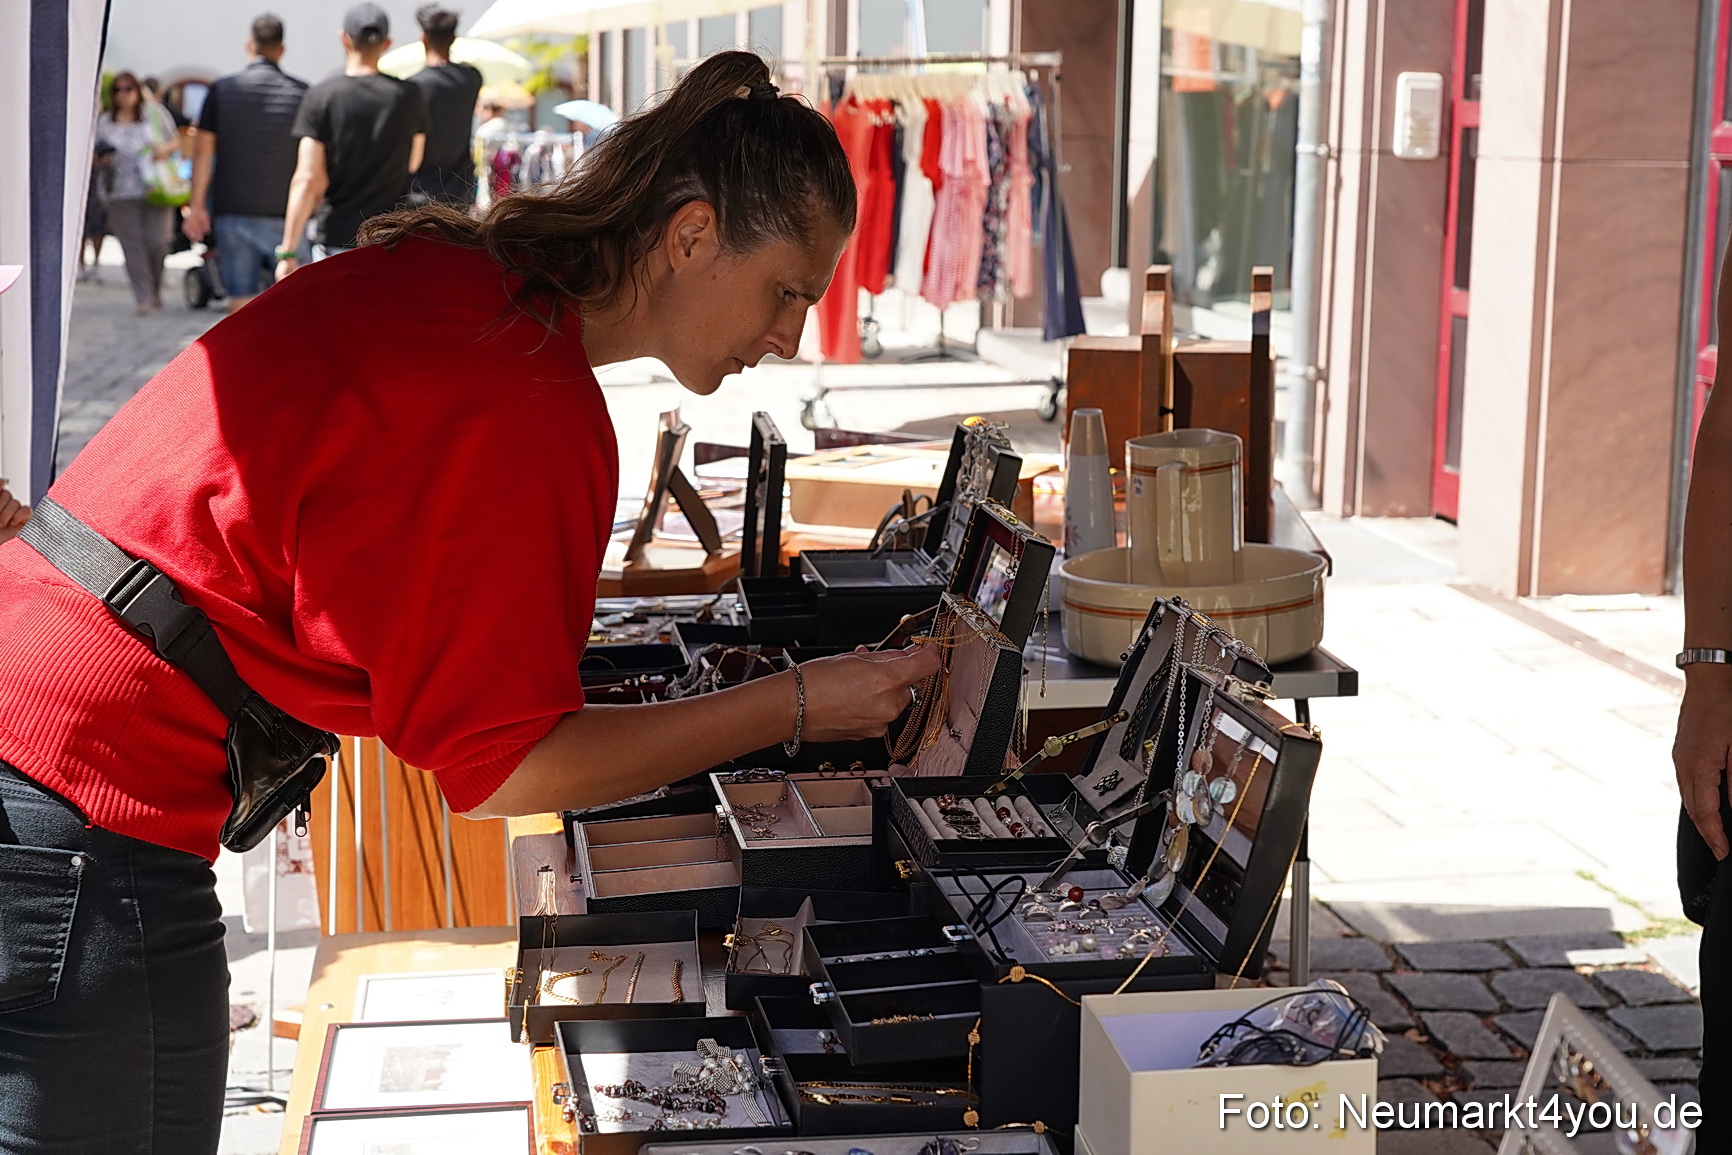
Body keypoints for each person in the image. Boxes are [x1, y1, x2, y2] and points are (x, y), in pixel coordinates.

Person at [0, 51, 933, 1151]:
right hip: (84, 801)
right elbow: (504, 770)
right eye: (787, 292)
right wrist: (794, 703)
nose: (787, 337)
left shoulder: (459, 282)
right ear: (689, 236)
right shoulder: (525, 392)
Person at [277, 2, 430, 271]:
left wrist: (288, 252)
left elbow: (307, 177)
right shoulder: (409, 96)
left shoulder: (322, 95)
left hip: (337, 238)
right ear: (387, 43)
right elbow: (414, 161)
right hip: (390, 238)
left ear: (344, 39)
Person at [182, 14, 310, 311]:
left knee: (241, 299)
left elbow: (203, 153)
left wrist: (197, 205)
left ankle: (246, 359)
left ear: (249, 45)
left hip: (233, 211)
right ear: (282, 49)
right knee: (294, 300)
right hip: (287, 213)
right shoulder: (302, 93)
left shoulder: (222, 90)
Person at [94, 72, 181, 314]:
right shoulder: (104, 122)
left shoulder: (154, 114)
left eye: (128, 88)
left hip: (157, 189)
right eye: (118, 90)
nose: (123, 94)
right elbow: (92, 153)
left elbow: (176, 141)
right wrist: (101, 158)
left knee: (159, 241)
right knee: (133, 246)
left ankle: (154, 287)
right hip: (119, 191)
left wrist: (162, 149)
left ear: (137, 90)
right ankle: (143, 296)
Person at [406, 5, 484, 207]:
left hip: (421, 190)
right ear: (453, 39)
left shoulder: (414, 86)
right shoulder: (472, 78)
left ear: (423, 38)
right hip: (461, 189)